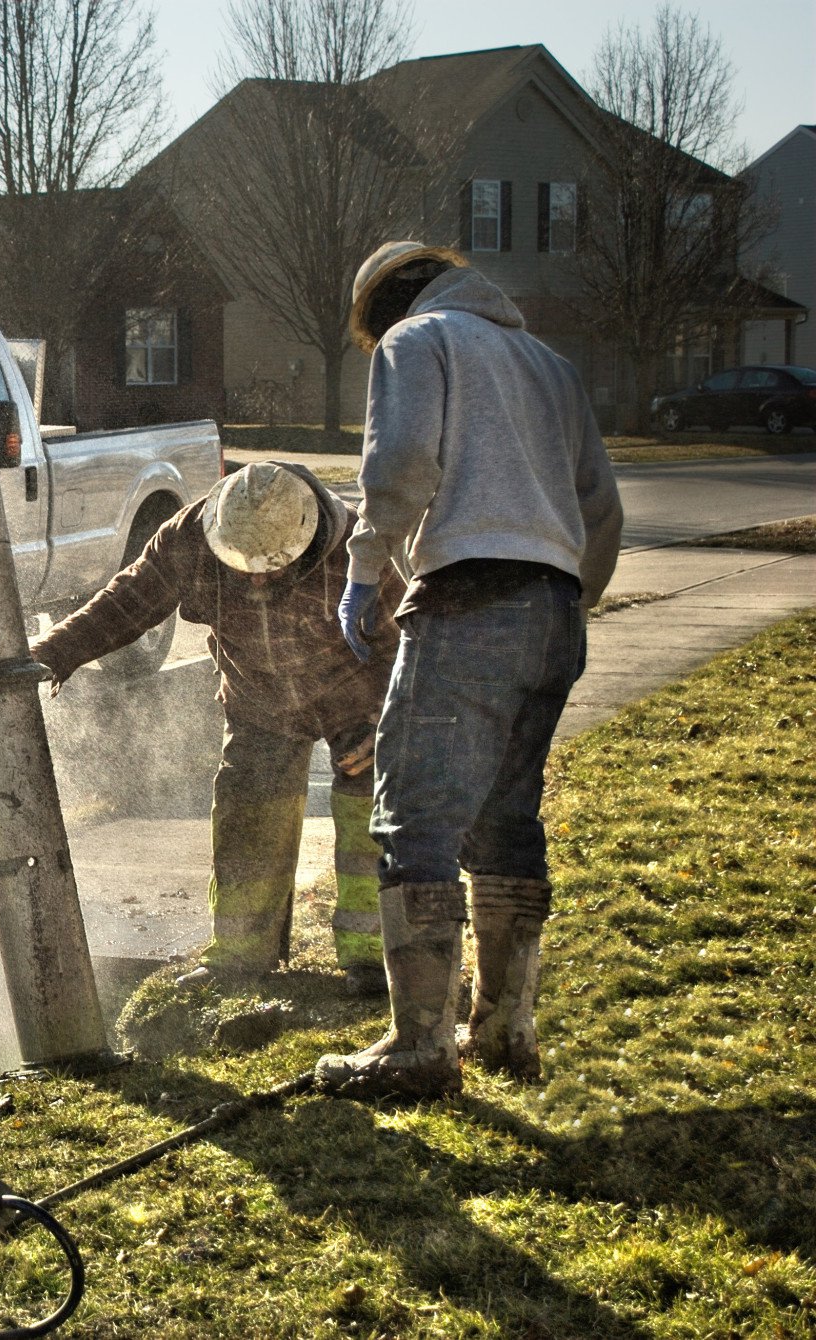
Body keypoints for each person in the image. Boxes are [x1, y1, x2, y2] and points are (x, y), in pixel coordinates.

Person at [317, 242, 623, 1100]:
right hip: (556, 610)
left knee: (415, 817)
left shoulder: (419, 343)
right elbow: (600, 504)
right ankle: (504, 1030)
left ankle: (418, 1046)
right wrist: (564, 598)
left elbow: (402, 464)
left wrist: (366, 571)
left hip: (469, 598)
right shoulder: (550, 364)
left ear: (386, 310)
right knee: (506, 823)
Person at [30, 462, 405, 995]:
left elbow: (411, 648)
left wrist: (387, 724)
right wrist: (53, 654)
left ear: (303, 538)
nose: (255, 578)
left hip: (356, 699)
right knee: (249, 820)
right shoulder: (189, 538)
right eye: (243, 565)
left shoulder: (361, 553)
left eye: (270, 567)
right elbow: (128, 602)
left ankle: (372, 962)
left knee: (368, 820)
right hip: (260, 701)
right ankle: (241, 957)